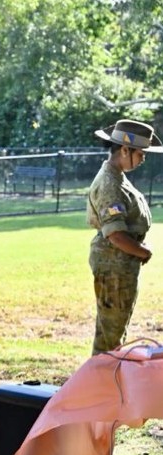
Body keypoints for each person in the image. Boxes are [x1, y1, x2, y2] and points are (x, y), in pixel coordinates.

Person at [87, 118, 159, 355]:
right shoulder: (110, 183)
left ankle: (105, 385)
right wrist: (143, 251)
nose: (143, 159)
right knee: (110, 338)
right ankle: (99, 388)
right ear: (125, 150)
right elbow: (116, 234)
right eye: (140, 153)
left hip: (120, 266)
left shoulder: (117, 177)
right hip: (114, 266)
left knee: (114, 331)